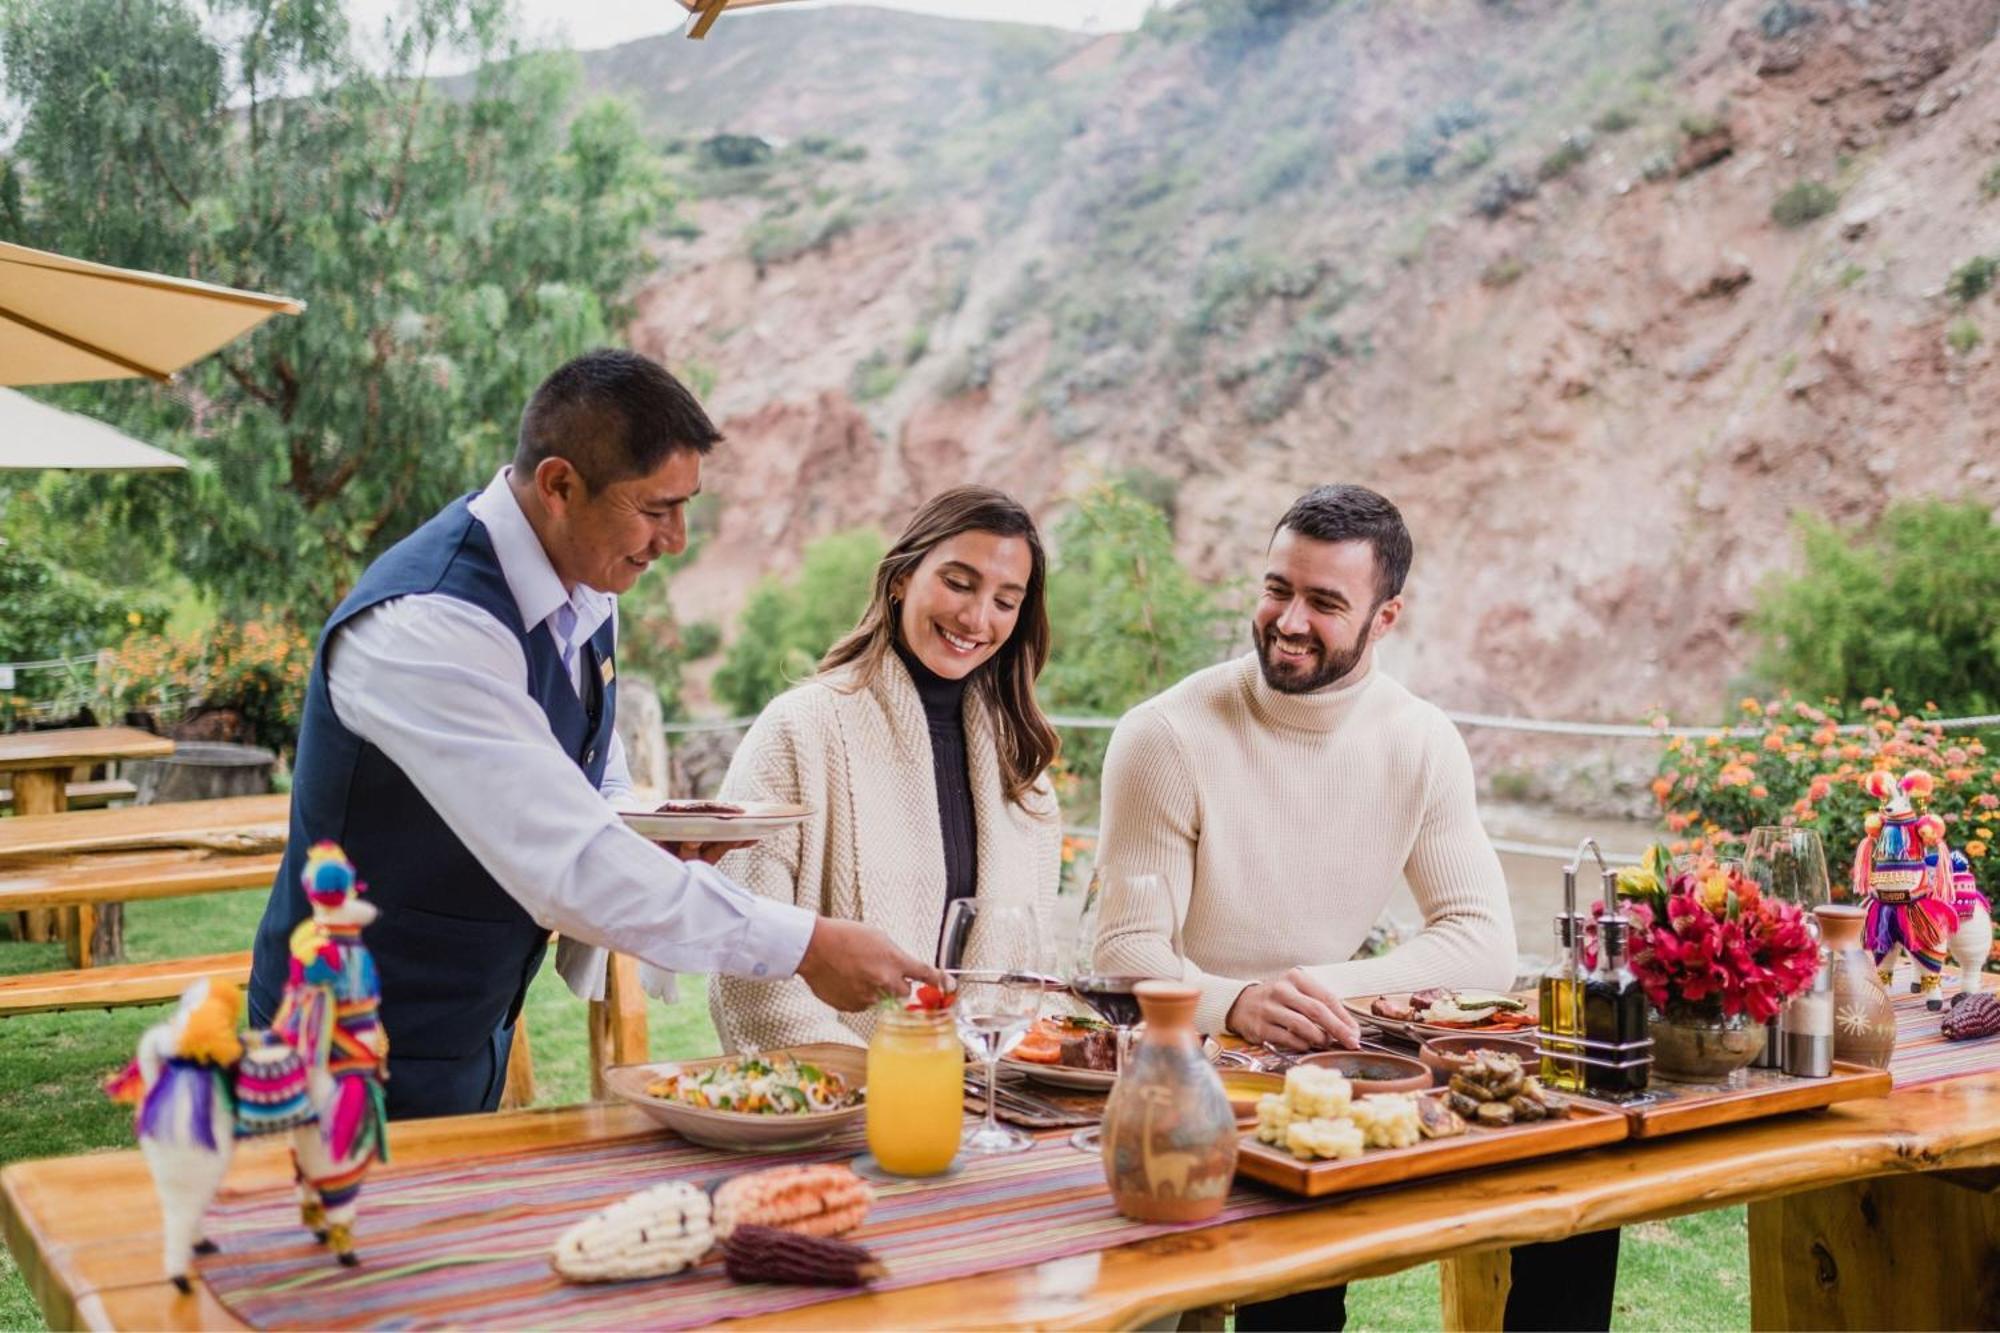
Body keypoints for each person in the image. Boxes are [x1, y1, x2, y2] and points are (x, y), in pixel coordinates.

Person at [248, 349, 938, 1119]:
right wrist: (805, 944)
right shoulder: (431, 625)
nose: (676, 539)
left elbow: (587, 773)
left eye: (687, 505)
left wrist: (646, 830)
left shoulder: (584, 581)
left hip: (467, 1031)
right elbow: (566, 860)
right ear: (559, 485)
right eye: (654, 509)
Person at [1092, 483, 1616, 1332]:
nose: (1288, 621)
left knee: (1575, 1193)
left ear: (1386, 617)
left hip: (1334, 1063)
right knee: (1286, 1274)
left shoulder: (1419, 739)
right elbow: (1124, 954)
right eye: (1277, 589)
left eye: (1325, 602)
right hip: (1191, 1080)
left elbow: (1482, 941)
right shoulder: (1167, 736)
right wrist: (1242, 1002)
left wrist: (1305, 993)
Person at [710, 486, 1063, 1052]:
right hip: (841, 1102)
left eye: (1005, 600)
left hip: (990, 1105)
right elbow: (748, 971)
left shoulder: (1024, 771)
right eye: (958, 582)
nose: (976, 617)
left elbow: (1035, 981)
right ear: (901, 578)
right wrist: (886, 1088)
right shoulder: (799, 730)